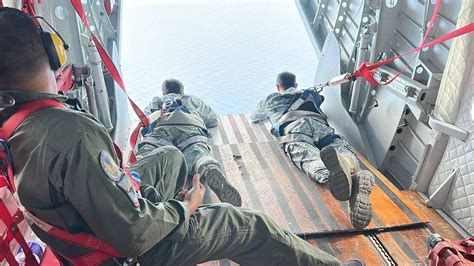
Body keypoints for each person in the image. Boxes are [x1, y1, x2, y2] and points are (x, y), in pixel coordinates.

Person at [0, 8, 343, 265]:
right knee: (250, 224)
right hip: (124, 252)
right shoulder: (71, 132)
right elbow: (134, 234)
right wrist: (185, 206)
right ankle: (195, 218)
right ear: (53, 51)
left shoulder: (18, 129)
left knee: (170, 157)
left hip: (90, 224)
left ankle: (183, 204)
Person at [251, 71, 375, 229]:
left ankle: (331, 174)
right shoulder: (309, 93)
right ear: (296, 85)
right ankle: (350, 167)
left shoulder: (270, 99)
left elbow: (255, 117)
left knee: (310, 159)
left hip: (294, 130)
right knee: (339, 148)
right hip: (320, 126)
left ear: (277, 86)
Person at [139, 79, 242, 207]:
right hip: (189, 126)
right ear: (182, 91)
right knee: (197, 151)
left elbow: (144, 122)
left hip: (162, 128)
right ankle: (208, 167)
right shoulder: (191, 99)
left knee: (150, 153)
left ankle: (134, 176)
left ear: (164, 92)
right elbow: (212, 119)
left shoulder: (156, 100)